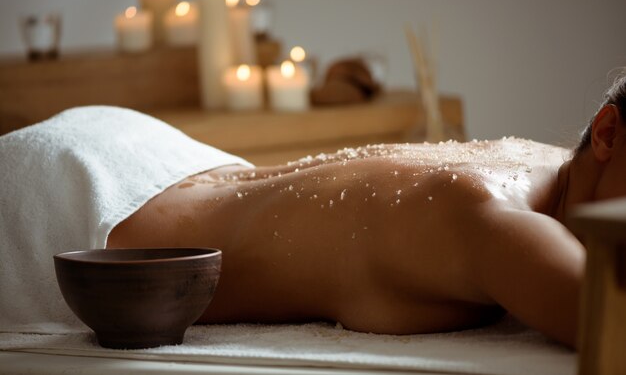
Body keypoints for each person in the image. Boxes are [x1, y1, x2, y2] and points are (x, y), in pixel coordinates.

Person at [105, 75, 626, 350]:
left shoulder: (543, 161)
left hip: (143, 155)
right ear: (606, 133)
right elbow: (611, 326)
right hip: (101, 230)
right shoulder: (501, 219)